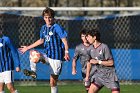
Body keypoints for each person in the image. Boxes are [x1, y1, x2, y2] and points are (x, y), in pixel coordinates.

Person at [18, 7, 70, 93]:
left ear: (53, 18)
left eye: (50, 17)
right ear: (43, 18)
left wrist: (66, 52)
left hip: (56, 57)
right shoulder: (43, 28)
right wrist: (27, 47)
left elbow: (64, 41)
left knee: (52, 82)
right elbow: (41, 40)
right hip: (47, 55)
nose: (48, 19)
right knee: (33, 53)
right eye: (46, 17)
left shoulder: (57, 27)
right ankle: (33, 72)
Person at [85, 29, 120, 93]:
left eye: (89, 37)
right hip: (99, 75)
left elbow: (111, 63)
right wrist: (87, 77)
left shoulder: (104, 47)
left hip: (110, 75)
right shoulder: (89, 49)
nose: (87, 39)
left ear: (94, 37)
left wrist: (98, 61)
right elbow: (89, 63)